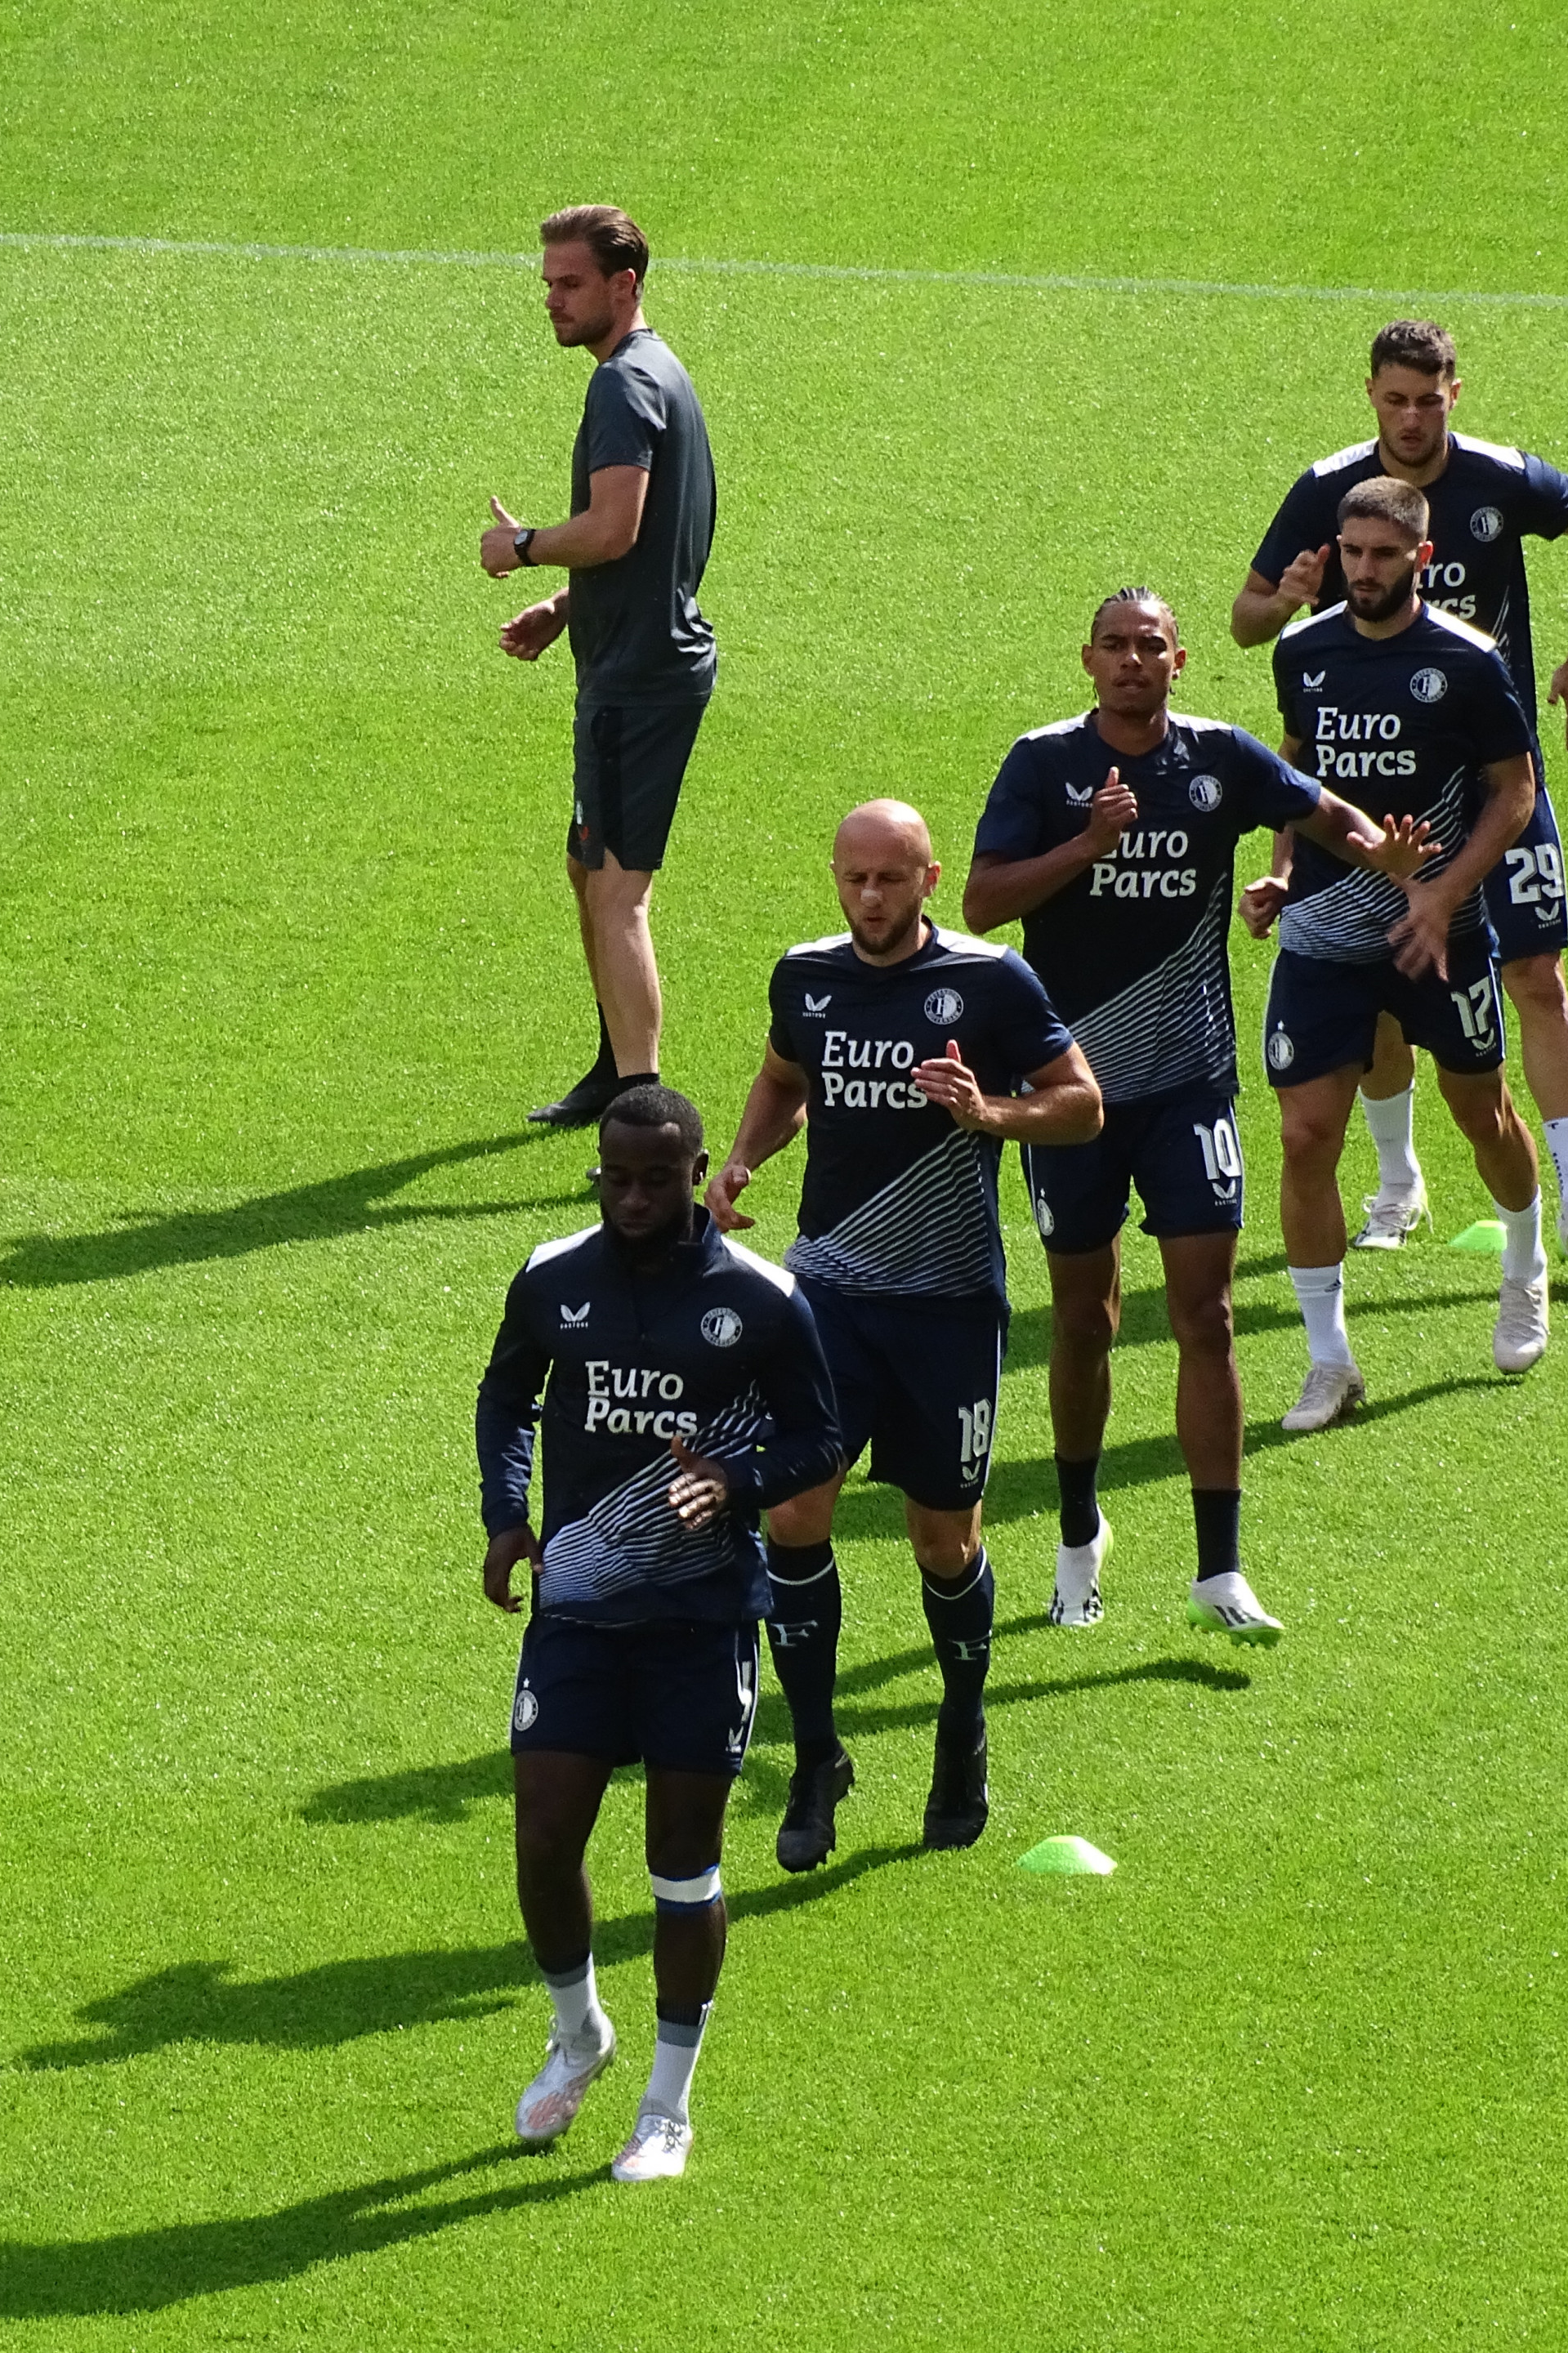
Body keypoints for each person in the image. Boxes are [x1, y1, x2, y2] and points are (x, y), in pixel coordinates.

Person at [966, 589, 1426, 1640]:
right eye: (1115, 647)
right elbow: (985, 904)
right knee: (1083, 1321)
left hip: (1188, 1083)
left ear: (1182, 659)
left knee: (1207, 1317)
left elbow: (1321, 811)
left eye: (1152, 647)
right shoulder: (1043, 765)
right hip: (1070, 1098)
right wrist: (1084, 848)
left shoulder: (1220, 757)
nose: (1133, 662)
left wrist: (1379, 855)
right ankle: (1080, 1535)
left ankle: (1219, 1571)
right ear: (1088, 660)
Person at [704, 802, 1101, 1867]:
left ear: (931, 878)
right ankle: (818, 1756)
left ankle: (962, 1729)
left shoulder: (989, 984)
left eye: (891, 880)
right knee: (793, 1513)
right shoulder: (807, 976)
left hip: (950, 1305)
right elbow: (789, 1076)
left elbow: (1082, 1106)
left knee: (945, 1542)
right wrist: (744, 1160)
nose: (870, 899)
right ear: (835, 880)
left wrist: (991, 1116)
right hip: (829, 1290)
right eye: (853, 880)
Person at [476, 1084, 838, 2183]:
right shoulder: (554, 1277)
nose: (632, 1199)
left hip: (701, 1621)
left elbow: (820, 1434)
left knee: (679, 1863)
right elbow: (505, 1395)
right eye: (614, 1178)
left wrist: (739, 1480)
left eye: (654, 1179)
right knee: (543, 1838)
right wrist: (507, 1515)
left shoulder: (762, 1301)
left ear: (694, 1176)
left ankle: (667, 2109)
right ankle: (580, 2029)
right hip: (579, 1612)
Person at [1231, 319, 1568, 1273]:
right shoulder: (1330, 493)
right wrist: (1290, 599)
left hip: (1497, 780)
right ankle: (1398, 1183)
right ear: (1369, 393)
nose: (1411, 418)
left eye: (1428, 399)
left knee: (1537, 976)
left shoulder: (1499, 478)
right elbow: (1247, 622)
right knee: (1376, 996)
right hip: (1375, 797)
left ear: (1456, 392)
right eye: (1394, 399)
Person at [1244, 476, 1551, 1427]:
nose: (1364, 570)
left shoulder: (1467, 660)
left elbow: (1515, 791)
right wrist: (1282, 872)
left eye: (1384, 555)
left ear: (1421, 558)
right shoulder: (1304, 648)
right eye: (1352, 552)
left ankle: (1524, 1261)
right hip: (1325, 938)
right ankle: (1330, 1362)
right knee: (1303, 1138)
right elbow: (1300, 777)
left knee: (1482, 1111)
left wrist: (1441, 891)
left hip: (1444, 938)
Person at [480, 203, 717, 1128]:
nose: (552, 300)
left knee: (617, 891)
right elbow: (662, 541)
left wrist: (526, 548)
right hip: (633, 655)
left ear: (625, 285)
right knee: (589, 869)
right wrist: (564, 606)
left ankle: (643, 1110)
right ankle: (615, 1063)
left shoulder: (624, 386)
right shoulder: (661, 374)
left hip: (639, 679)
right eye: (546, 284)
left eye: (569, 284)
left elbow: (616, 529)